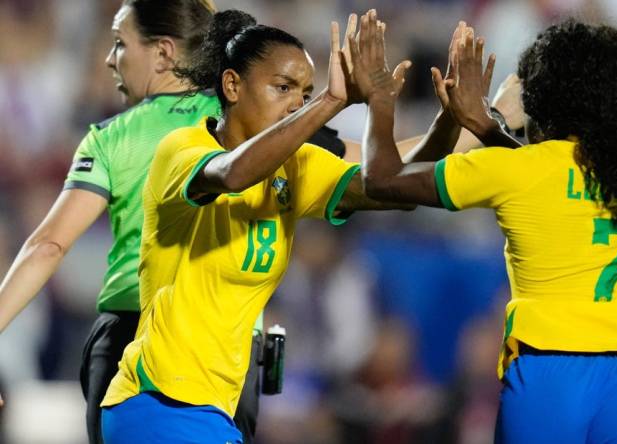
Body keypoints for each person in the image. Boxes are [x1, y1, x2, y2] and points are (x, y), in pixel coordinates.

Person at [97, 9, 456, 443]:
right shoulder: (183, 148)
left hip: (215, 408)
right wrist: (330, 101)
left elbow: (389, 186)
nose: (295, 103)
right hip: (158, 401)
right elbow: (232, 175)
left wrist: (416, 111)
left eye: (304, 94)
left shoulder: (297, 166)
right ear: (232, 85)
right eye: (282, 87)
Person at [352, 17, 617, 443]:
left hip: (549, 377)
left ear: (541, 99)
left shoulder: (515, 170)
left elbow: (380, 180)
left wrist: (379, 97)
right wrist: (486, 126)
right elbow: (562, 180)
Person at [0, 1, 260, 442]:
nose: (109, 59)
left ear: (163, 53)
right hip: (229, 346)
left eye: (121, 44)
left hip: (133, 339)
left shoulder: (111, 137)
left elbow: (49, 245)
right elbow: (366, 167)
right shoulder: (255, 123)